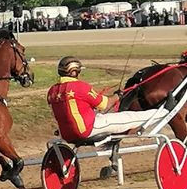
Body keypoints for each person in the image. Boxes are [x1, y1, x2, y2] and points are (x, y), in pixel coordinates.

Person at [47, 56, 176, 143]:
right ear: (74, 72)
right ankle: (165, 111)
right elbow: (105, 104)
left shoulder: (52, 91)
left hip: (66, 134)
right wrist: (118, 96)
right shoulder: (80, 87)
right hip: (88, 129)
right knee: (129, 117)